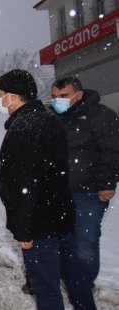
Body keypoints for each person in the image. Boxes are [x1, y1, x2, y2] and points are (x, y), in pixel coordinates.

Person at [0, 69, 96, 309]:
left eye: (1, 94)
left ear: (15, 96)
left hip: (38, 223)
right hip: (60, 215)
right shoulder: (48, 118)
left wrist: (23, 230)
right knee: (73, 275)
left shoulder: (23, 128)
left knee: (45, 286)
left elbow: (24, 184)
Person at [50, 76, 119, 285]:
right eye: (54, 97)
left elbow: (112, 151)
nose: (57, 101)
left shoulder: (100, 116)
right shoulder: (54, 117)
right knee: (62, 239)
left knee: (85, 242)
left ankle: (84, 285)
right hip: (60, 192)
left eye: (63, 96)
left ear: (78, 95)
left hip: (89, 193)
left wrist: (107, 183)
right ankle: (69, 277)